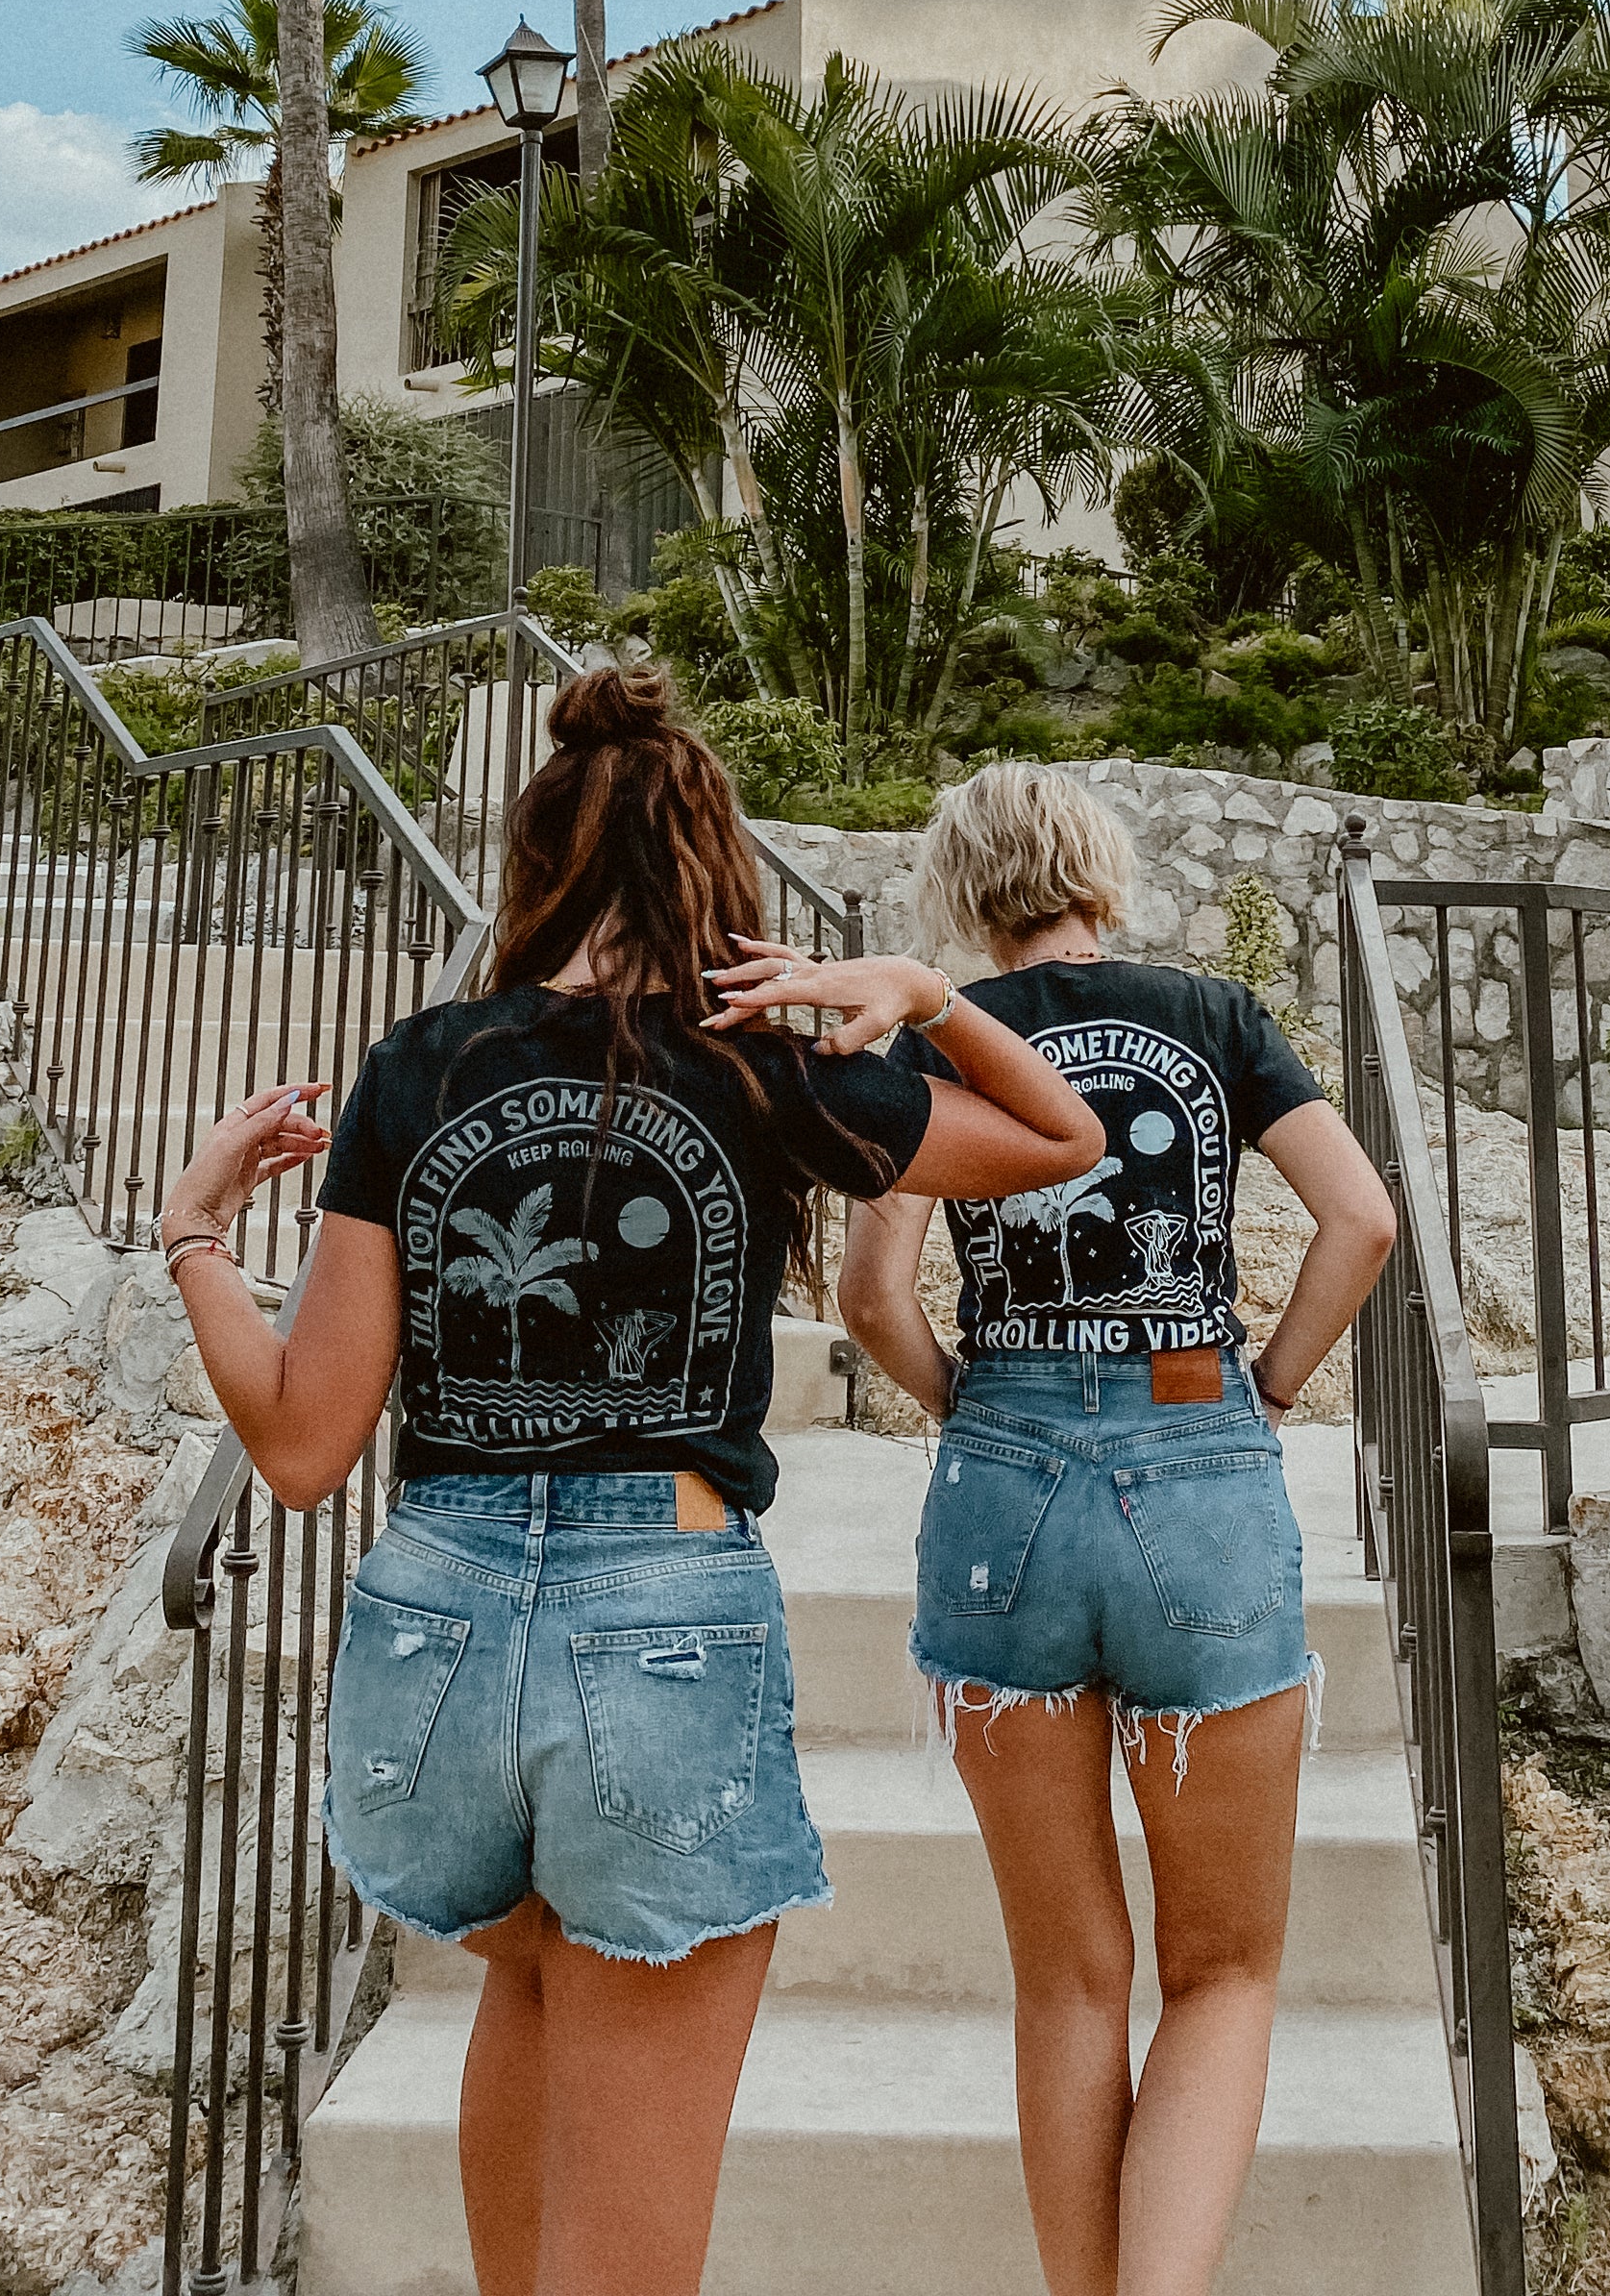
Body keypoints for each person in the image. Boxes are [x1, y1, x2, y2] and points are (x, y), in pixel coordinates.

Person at [149, 664, 1102, 2296]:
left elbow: (301, 1449)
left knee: (527, 1984)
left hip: (432, 1628)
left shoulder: (419, 1067)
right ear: (710, 865)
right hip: (656, 1619)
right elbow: (1061, 1140)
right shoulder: (757, 1065)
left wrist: (194, 1235)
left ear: (538, 864)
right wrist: (925, 996)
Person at [830, 763, 1398, 2296]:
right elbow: (1362, 1221)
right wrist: (1264, 1388)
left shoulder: (938, 1034)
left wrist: (977, 1402)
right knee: (1223, 1973)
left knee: (1070, 1985)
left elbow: (870, 1300)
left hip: (1001, 1479)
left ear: (964, 891)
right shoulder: (1214, 1016)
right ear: (1099, 867)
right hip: (1196, 1451)